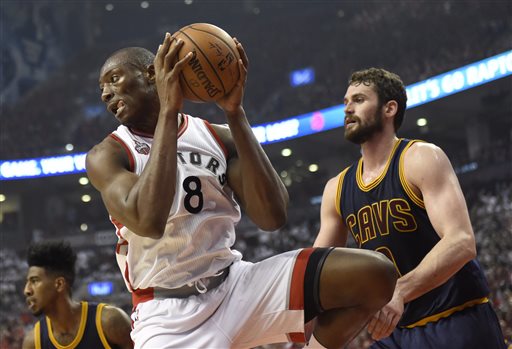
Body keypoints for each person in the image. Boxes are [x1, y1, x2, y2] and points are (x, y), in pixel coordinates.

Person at [85, 32, 397, 349]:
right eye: (102, 89)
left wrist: (235, 113)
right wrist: (168, 110)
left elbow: (273, 216)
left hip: (237, 286)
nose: (106, 94)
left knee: (376, 275)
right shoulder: (108, 154)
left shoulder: (217, 137)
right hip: (166, 314)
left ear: (153, 73)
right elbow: (148, 220)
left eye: (114, 79)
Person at [314, 67, 507, 348]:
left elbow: (462, 241)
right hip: (396, 330)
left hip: (454, 318)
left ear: (389, 108)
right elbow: (317, 267)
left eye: (359, 99)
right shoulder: (337, 188)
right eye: (345, 102)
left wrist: (400, 292)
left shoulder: (420, 158)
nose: (348, 109)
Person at [22, 241, 133, 349]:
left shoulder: (110, 322)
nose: (27, 290)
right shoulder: (33, 342)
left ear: (59, 284)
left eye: (34, 281)